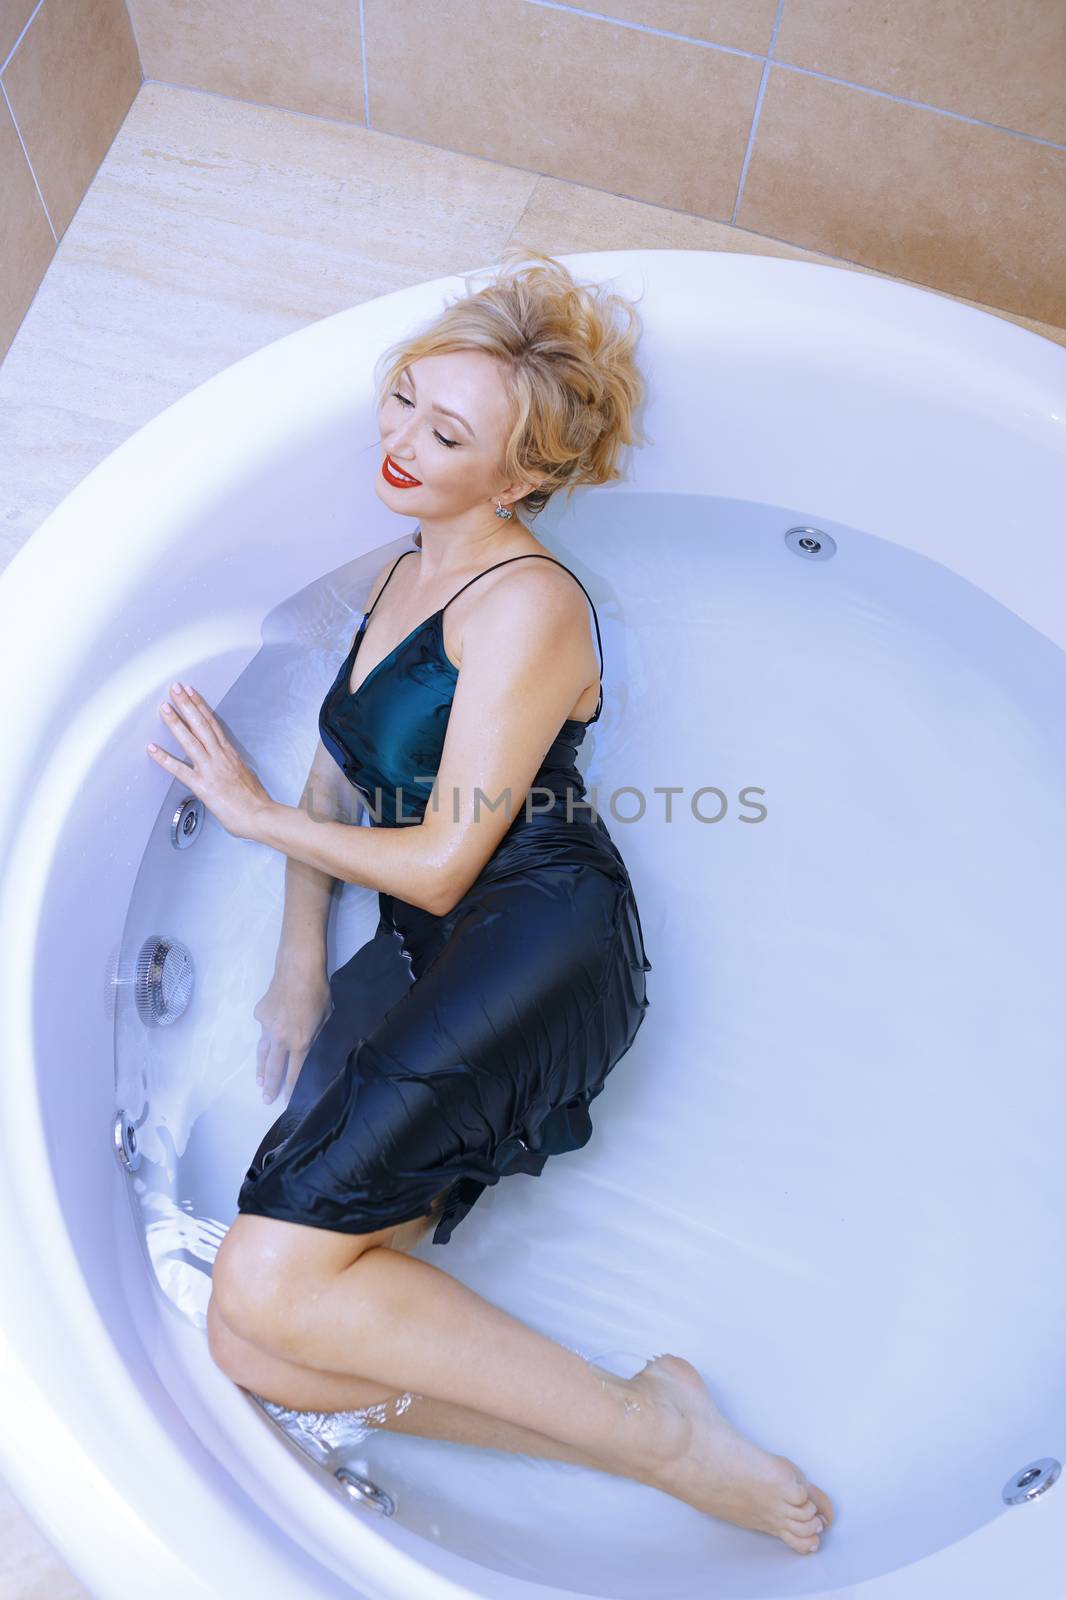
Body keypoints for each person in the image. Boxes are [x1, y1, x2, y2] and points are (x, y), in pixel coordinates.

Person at [147, 250, 833, 1552]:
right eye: (404, 399)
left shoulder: (526, 605)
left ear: (520, 480)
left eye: (445, 432)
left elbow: (446, 863)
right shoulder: (408, 563)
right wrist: (299, 955)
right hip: (430, 949)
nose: (398, 442)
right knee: (258, 1346)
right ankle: (650, 1441)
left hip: (536, 950)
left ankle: (657, 1433)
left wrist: (248, 818)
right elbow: (340, 765)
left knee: (261, 1283)